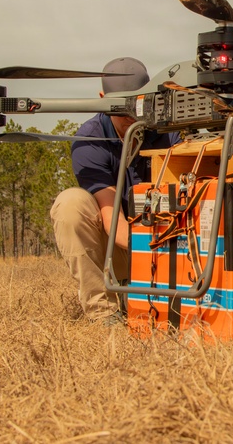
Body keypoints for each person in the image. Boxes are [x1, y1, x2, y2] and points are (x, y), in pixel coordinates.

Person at [51, 57, 180, 324]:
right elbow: (112, 222)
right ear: (102, 99)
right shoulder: (90, 139)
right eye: (122, 109)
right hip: (126, 245)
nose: (131, 117)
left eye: (138, 105)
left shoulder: (172, 131)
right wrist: (155, 248)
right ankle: (104, 312)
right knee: (70, 204)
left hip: (175, 245)